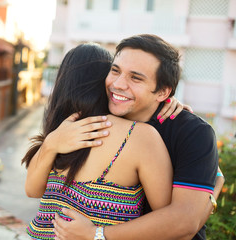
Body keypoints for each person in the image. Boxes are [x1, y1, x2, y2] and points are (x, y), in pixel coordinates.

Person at [46, 34, 224, 240]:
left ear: (163, 92)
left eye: (136, 78)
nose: (118, 84)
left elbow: (185, 224)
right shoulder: (99, 116)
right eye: (115, 71)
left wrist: (96, 235)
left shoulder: (192, 132)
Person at [22, 43, 175, 240]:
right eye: (115, 71)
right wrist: (213, 184)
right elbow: (169, 220)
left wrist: (51, 143)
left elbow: (32, 191)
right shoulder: (138, 136)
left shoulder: (61, 133)